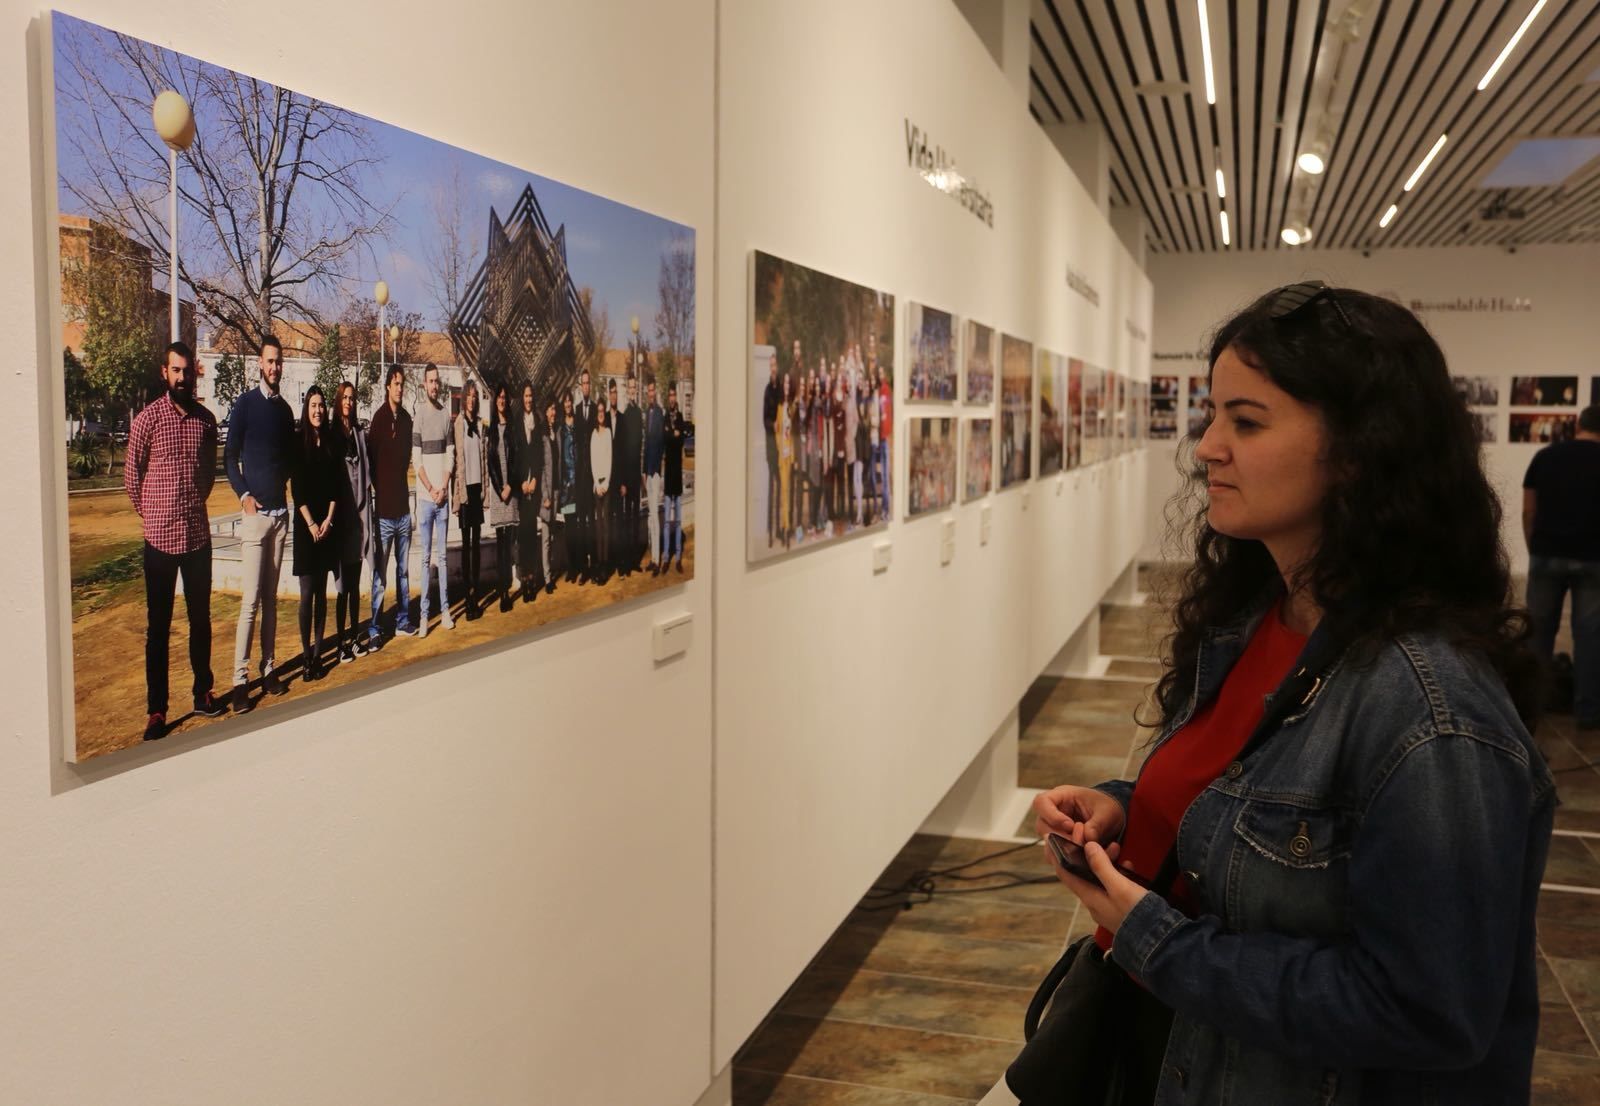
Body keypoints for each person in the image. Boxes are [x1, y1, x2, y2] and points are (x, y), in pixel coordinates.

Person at [1030, 283, 1552, 1106]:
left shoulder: (1432, 707)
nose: (1206, 447)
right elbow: (1248, 805)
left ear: (1357, 449)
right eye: (1213, 417)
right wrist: (1125, 807)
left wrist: (1156, 941)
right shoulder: (1256, 621)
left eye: (1246, 420)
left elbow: (1429, 1011)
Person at [124, 340, 224, 740]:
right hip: (160, 542)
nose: (182, 377)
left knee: (201, 620)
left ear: (193, 372)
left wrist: (190, 505)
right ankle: (157, 710)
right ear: (165, 373)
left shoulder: (206, 421)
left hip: (197, 537)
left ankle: (203, 693)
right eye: (175, 370)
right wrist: (154, 515)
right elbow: (132, 479)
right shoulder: (146, 420)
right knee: (158, 628)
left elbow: (207, 476)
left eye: (186, 370)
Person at [224, 334, 296, 711]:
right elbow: (229, 458)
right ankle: (240, 680)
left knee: (271, 599)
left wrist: (282, 486)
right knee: (250, 601)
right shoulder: (245, 405)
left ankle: (269, 669)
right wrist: (244, 495)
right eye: (269, 362)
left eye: (279, 362)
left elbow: (287, 456)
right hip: (254, 521)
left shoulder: (285, 411)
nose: (274, 367)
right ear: (260, 365)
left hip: (280, 518)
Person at [1522, 403, 1600, 729]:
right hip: (1595, 558)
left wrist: (1533, 549)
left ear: (1577, 425)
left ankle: (1529, 710)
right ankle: (1588, 713)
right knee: (1591, 638)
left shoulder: (1545, 457)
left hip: (1547, 554)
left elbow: (1529, 510)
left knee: (1536, 634)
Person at [291, 386, 340, 682]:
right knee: (307, 595)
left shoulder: (331, 442)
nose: (318, 410)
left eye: (321, 405)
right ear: (306, 409)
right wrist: (311, 523)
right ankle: (306, 656)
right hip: (306, 529)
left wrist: (329, 521)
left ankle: (319, 655)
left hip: (326, 527)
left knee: (322, 595)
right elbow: (297, 490)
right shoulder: (299, 442)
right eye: (313, 405)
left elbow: (336, 487)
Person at [367, 364, 414, 647]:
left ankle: (403, 619)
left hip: (403, 512)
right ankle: (374, 627)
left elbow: (406, 457)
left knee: (403, 572)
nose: (399, 388)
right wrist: (380, 490)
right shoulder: (379, 419)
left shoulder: (407, 420)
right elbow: (371, 463)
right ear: (387, 386)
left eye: (402, 384)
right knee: (380, 575)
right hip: (384, 513)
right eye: (395, 383)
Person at [412, 363, 455, 637]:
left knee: (443, 557)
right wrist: (431, 488)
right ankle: (425, 617)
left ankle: (447, 610)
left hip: (443, 500)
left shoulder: (446, 415)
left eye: (437, 381)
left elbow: (451, 454)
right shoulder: (419, 417)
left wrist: (444, 487)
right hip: (427, 502)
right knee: (426, 557)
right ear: (424, 384)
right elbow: (416, 460)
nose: (434, 385)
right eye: (430, 381)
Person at [331, 382, 372, 663]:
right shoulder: (333, 434)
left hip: (358, 518)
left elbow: (365, 472)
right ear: (338, 401)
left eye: (352, 398)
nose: (348, 402)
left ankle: (356, 636)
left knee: (356, 583)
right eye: (344, 398)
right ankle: (341, 642)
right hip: (340, 518)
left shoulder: (358, 433)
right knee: (342, 585)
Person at [452, 379, 487, 620]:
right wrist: (459, 494)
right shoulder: (458, 423)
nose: (472, 400)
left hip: (477, 490)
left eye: (476, 396)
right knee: (466, 546)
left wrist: (484, 489)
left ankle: (475, 592)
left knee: (476, 546)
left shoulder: (480, 425)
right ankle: (467, 599)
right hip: (465, 492)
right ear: (464, 398)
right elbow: (458, 460)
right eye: (469, 396)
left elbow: (482, 458)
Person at [485, 384, 519, 614]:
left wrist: (510, 486)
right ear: (495, 400)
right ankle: (503, 592)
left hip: (511, 490)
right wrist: (500, 489)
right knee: (500, 546)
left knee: (509, 543)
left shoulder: (513, 428)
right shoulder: (491, 430)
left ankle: (509, 584)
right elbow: (490, 463)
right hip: (499, 495)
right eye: (499, 397)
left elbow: (516, 459)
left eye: (505, 397)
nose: (502, 401)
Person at [512, 382, 542, 602]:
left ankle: (533, 580)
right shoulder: (517, 423)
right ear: (522, 399)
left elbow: (539, 456)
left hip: (534, 487)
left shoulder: (537, 421)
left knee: (533, 535)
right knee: (523, 536)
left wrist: (536, 480)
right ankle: (525, 579)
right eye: (526, 396)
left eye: (531, 395)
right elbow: (515, 457)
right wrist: (521, 482)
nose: (529, 399)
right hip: (522, 489)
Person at [616, 377, 643, 575]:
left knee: (635, 519)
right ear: (628, 391)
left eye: (635, 388)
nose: (633, 391)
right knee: (625, 520)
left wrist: (640, 475)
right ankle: (624, 562)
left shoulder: (639, 414)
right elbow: (623, 452)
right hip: (627, 479)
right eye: (631, 388)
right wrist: (623, 482)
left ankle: (634, 560)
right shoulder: (624, 417)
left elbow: (639, 448)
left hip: (636, 476)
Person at [573, 370, 598, 582]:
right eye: (583, 383)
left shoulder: (598, 410)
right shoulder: (577, 410)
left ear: (591, 385)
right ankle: (583, 568)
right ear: (580, 387)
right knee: (581, 523)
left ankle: (594, 565)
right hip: (580, 480)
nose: (586, 387)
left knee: (593, 523)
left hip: (593, 477)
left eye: (589, 383)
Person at [537, 400, 561, 594]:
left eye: (554, 409)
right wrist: (545, 495)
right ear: (545, 412)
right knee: (545, 537)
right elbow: (542, 468)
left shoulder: (557, 434)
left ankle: (551, 572)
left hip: (557, 491)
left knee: (552, 535)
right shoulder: (543, 435)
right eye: (550, 408)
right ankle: (546, 578)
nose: (553, 412)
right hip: (547, 494)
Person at [663, 383, 688, 573]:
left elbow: (680, 441)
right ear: (667, 398)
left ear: (676, 398)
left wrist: (673, 435)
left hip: (678, 480)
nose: (672, 398)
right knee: (666, 522)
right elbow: (669, 440)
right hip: (668, 480)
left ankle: (678, 558)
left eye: (674, 395)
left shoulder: (680, 418)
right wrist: (673, 434)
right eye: (669, 395)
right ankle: (665, 557)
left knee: (678, 521)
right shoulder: (665, 417)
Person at [643, 379, 666, 575]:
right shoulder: (647, 414)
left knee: (655, 517)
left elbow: (660, 444)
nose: (650, 394)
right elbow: (646, 445)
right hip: (647, 473)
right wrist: (644, 471)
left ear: (655, 391)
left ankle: (657, 560)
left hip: (656, 472)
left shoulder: (659, 413)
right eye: (648, 391)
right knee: (650, 517)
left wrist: (656, 469)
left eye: (652, 390)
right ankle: (652, 557)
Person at [591, 401, 614, 581]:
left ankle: (605, 566)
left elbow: (609, 460)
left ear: (604, 414)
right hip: (596, 487)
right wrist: (596, 485)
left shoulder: (607, 434)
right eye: (597, 411)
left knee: (605, 527)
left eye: (602, 411)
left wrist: (605, 484)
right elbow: (593, 461)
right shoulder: (593, 435)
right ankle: (598, 565)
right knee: (598, 528)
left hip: (606, 486)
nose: (600, 414)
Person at [559, 395, 581, 581]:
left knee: (577, 526)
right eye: (565, 402)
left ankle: (579, 564)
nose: (567, 404)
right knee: (568, 527)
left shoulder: (578, 425)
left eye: (569, 401)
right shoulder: (561, 428)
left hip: (578, 485)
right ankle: (571, 567)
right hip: (566, 489)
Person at [762, 358, 781, 547]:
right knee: (771, 488)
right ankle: (769, 532)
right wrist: (772, 424)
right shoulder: (767, 390)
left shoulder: (781, 390)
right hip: (770, 446)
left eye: (775, 366)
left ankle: (780, 529)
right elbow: (764, 419)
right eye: (771, 366)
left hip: (781, 448)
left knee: (781, 489)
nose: (773, 369)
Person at [776, 373, 794, 550]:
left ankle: (787, 526)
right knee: (784, 493)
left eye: (789, 383)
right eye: (785, 383)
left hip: (791, 456)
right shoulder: (780, 408)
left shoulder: (791, 407)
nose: (787, 386)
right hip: (782, 456)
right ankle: (785, 528)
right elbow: (777, 431)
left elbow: (793, 431)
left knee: (789, 492)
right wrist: (779, 449)